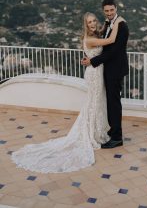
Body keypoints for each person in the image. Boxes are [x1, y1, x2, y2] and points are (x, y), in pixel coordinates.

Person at [11, 12, 123, 173]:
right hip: (94, 74)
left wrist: (107, 23)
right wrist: (118, 22)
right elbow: (111, 40)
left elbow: (102, 37)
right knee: (93, 102)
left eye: (93, 21)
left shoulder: (94, 35)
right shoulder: (89, 39)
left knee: (97, 102)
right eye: (89, 22)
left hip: (97, 72)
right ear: (85, 24)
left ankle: (96, 131)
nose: (92, 24)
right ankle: (92, 133)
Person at [82, 0, 129, 149]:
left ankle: (117, 137)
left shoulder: (121, 26)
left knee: (114, 104)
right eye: (106, 11)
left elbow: (114, 51)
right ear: (104, 11)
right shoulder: (109, 23)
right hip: (106, 70)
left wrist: (93, 61)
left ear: (116, 8)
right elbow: (103, 44)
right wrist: (90, 58)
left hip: (115, 70)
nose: (109, 13)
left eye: (112, 10)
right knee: (108, 102)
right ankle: (111, 130)